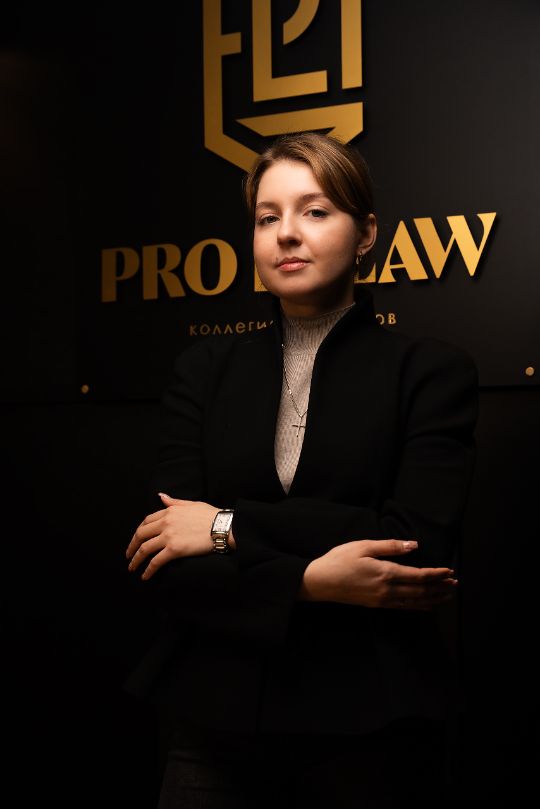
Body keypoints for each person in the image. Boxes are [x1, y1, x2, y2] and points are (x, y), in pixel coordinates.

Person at [123, 132, 478, 808]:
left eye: (315, 211)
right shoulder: (203, 370)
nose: (286, 233)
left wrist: (223, 526)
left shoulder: (429, 372)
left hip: (370, 720)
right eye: (267, 217)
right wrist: (316, 580)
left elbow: (412, 545)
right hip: (216, 715)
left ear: (365, 233)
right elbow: (168, 555)